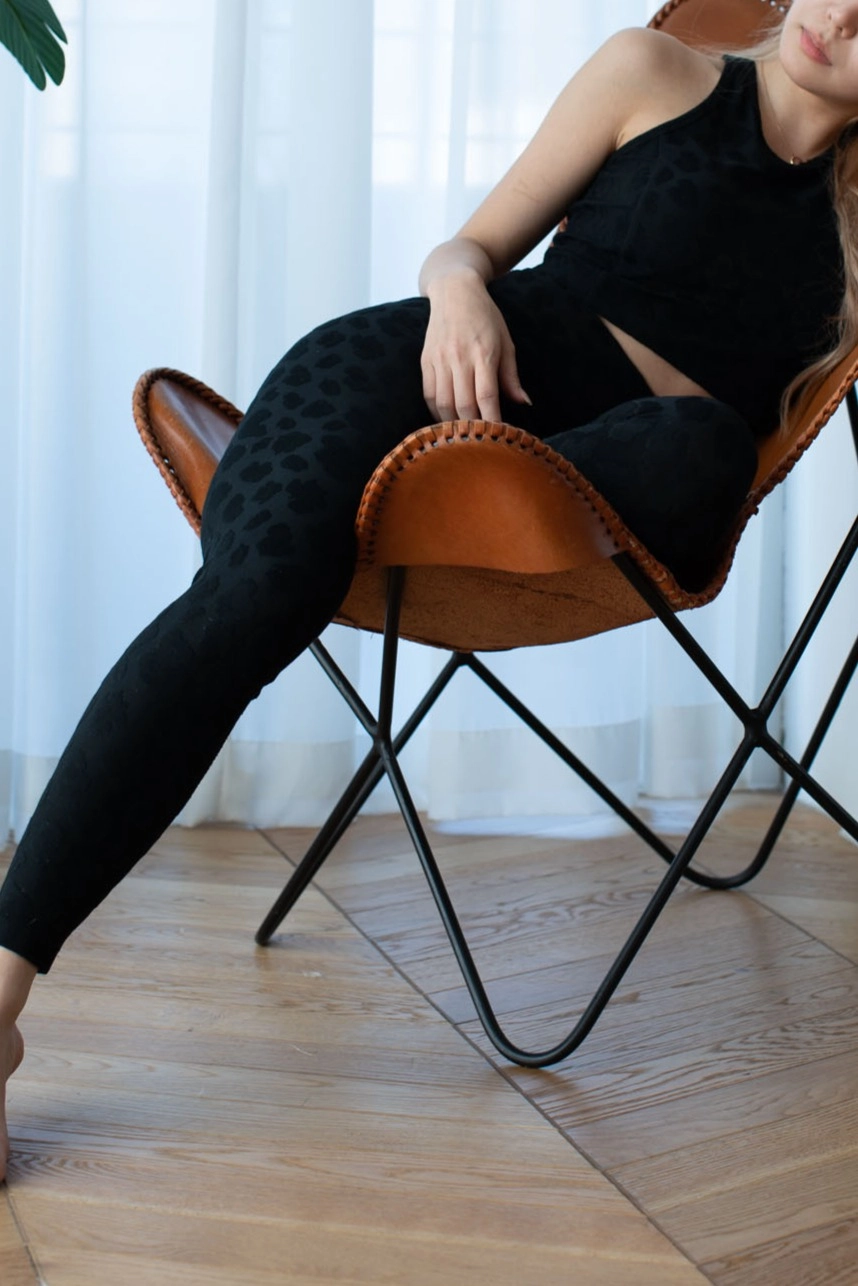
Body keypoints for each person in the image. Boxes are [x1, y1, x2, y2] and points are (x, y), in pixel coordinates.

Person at [1, 0, 856, 1181]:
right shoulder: (654, 69)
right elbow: (470, 249)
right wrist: (459, 294)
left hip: (609, 480)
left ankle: (475, 483)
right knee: (251, 595)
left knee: (700, 444)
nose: (838, 15)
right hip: (417, 372)